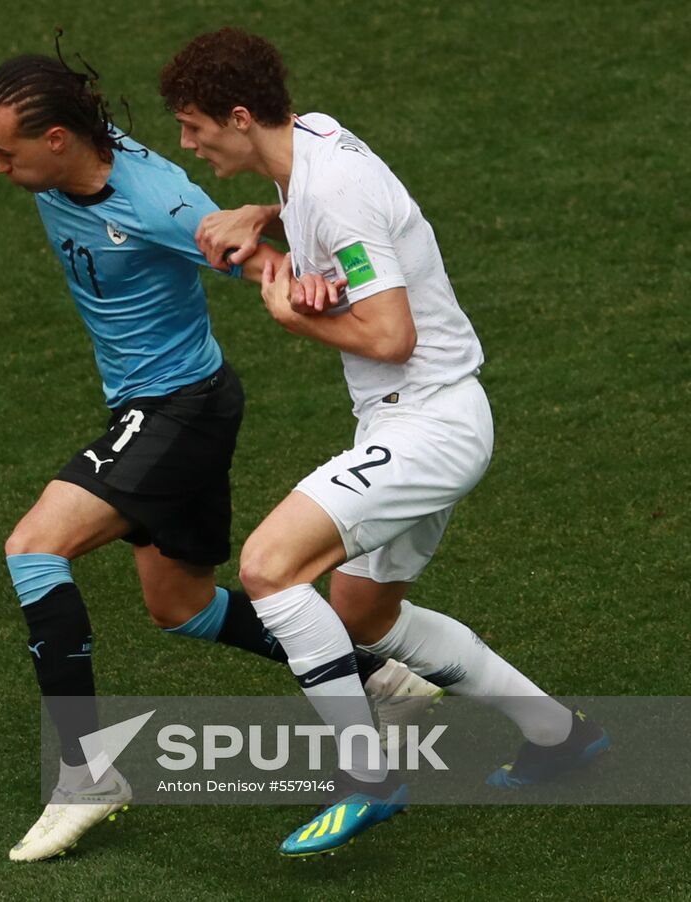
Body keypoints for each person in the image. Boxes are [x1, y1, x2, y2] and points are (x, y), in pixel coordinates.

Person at [0, 42, 439, 862]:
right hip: (178, 406)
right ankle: (373, 674)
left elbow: (268, 264)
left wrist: (298, 272)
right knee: (183, 606)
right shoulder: (49, 159)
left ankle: (84, 774)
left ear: (56, 138)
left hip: (178, 412)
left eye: (5, 153)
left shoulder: (163, 203)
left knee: (34, 549)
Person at [159, 27, 609, 857]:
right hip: (421, 415)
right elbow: (326, 199)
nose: (186, 144)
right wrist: (265, 213)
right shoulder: (315, 139)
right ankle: (560, 737)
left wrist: (297, 315)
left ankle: (367, 776)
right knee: (363, 615)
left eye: (193, 127)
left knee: (267, 567)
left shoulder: (333, 194)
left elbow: (391, 334)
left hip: (427, 419)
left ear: (239, 114)